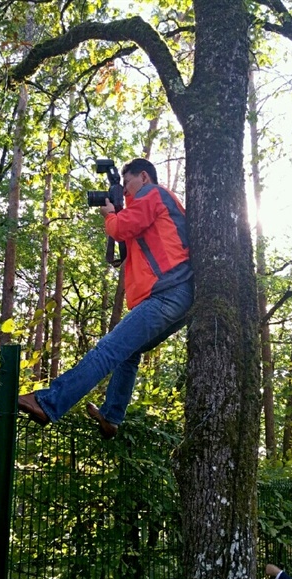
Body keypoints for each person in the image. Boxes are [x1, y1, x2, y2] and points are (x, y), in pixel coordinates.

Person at [18, 158, 194, 438]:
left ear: (144, 177)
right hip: (178, 294)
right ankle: (112, 416)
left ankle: (48, 402)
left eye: (127, 183)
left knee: (108, 350)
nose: (124, 191)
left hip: (168, 291)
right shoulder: (152, 205)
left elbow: (120, 229)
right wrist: (118, 213)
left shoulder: (153, 193)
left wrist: (110, 215)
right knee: (128, 353)